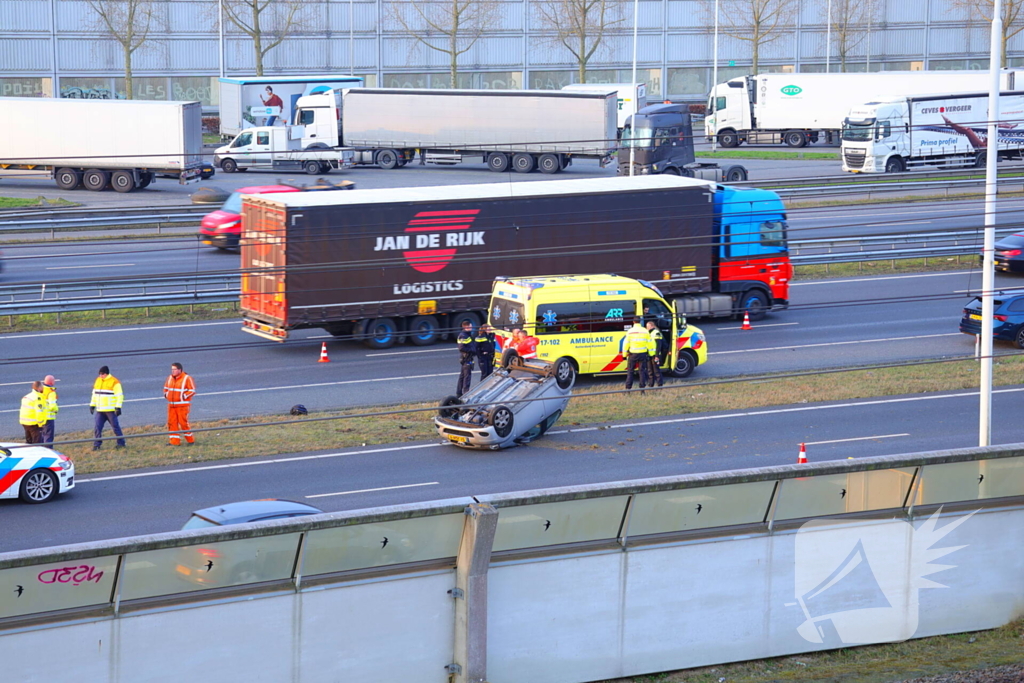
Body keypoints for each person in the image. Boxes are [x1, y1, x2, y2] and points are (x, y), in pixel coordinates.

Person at [91, 365, 126, 450]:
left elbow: (119, 396)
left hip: (110, 410)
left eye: (102, 374)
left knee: (115, 427)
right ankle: (97, 445)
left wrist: (118, 407)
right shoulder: (98, 380)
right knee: (97, 428)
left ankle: (121, 443)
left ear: (106, 374)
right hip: (100, 410)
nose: (100, 376)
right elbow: (94, 394)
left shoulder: (114, 382)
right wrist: (92, 405)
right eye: (99, 374)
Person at [164, 362, 196, 446]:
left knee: (183, 423)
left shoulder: (187, 378)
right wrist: (167, 395)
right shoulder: (169, 378)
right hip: (171, 405)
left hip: (182, 405)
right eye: (172, 369)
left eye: (174, 369)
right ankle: (174, 442)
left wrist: (183, 396)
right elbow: (166, 389)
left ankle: (190, 440)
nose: (172, 371)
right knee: (172, 423)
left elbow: (192, 390)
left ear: (180, 370)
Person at [624, 317, 650, 391]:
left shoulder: (630, 331)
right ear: (640, 322)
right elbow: (650, 344)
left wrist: (624, 355)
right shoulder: (645, 331)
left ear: (633, 322)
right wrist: (651, 354)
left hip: (633, 354)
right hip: (643, 354)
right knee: (642, 371)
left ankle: (628, 389)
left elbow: (626, 344)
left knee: (630, 371)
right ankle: (642, 389)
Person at [456, 320, 477, 396]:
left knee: (462, 376)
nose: (471, 328)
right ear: (466, 327)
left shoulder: (467, 335)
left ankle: (459, 393)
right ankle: (466, 393)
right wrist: (472, 351)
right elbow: (461, 348)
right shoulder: (463, 336)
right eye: (470, 327)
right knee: (466, 377)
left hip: (467, 358)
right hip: (466, 358)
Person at [646, 320, 666, 388]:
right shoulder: (648, 333)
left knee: (656, 371)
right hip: (649, 355)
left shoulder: (656, 333)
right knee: (650, 371)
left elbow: (659, 345)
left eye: (648, 326)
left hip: (655, 355)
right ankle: (651, 384)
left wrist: (657, 356)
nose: (647, 328)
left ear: (652, 326)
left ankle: (659, 385)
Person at [40, 375, 59, 447]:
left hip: (40, 417)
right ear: (51, 382)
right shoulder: (51, 392)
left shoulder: (41, 390)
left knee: (42, 435)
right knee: (48, 436)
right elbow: (52, 406)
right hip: (49, 418)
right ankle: (49, 451)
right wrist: (56, 410)